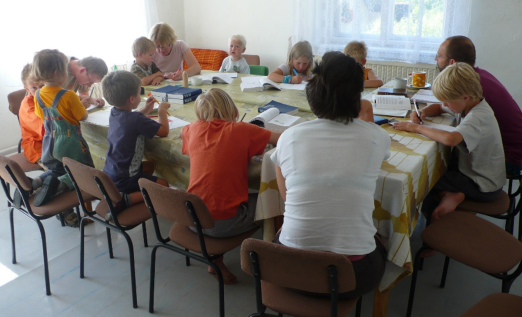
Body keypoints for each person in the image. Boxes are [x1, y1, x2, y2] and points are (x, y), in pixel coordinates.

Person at [271, 51, 391, 298]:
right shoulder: (377, 137)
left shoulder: (289, 137)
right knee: (382, 239)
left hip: (289, 271)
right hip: (351, 277)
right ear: (358, 98)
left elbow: (286, 198)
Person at [182, 88, 280, 285]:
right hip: (223, 224)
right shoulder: (241, 130)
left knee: (216, 196)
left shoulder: (191, 129)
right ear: (234, 111)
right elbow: (281, 139)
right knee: (273, 201)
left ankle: (216, 261)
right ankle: (274, 260)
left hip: (191, 218)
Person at [393, 63, 505, 221]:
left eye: (448, 101)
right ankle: (449, 196)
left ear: (465, 97)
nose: (445, 105)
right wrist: (423, 112)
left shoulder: (478, 117)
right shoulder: (467, 104)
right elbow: (439, 107)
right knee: (432, 172)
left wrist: (416, 128)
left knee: (423, 181)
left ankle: (435, 229)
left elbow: (450, 139)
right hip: (471, 173)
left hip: (482, 184)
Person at [435, 35, 522, 176]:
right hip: (509, 149)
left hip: (508, 157)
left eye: (439, 56)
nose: (436, 60)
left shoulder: (476, 89)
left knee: (444, 167)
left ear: (452, 62)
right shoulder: (475, 78)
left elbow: (451, 139)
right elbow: (443, 107)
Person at [31, 49, 95, 215]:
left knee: (58, 170)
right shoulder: (68, 95)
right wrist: (83, 106)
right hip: (69, 142)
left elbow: (40, 115)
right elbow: (82, 116)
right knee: (82, 170)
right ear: (57, 73)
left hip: (49, 144)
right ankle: (58, 186)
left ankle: (37, 183)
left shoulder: (38, 94)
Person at [102, 70, 170, 217]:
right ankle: (126, 199)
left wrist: (145, 110)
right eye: (139, 94)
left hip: (112, 173)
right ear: (132, 99)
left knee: (150, 166)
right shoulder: (136, 119)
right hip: (125, 178)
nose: (141, 96)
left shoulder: (114, 112)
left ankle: (131, 192)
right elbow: (164, 131)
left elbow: (131, 119)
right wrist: (162, 111)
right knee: (164, 185)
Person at [19, 63, 44, 165]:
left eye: (42, 86)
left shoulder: (48, 97)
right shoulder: (28, 106)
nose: (40, 91)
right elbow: (46, 128)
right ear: (27, 89)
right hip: (37, 149)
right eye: (34, 88)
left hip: (54, 143)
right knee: (64, 168)